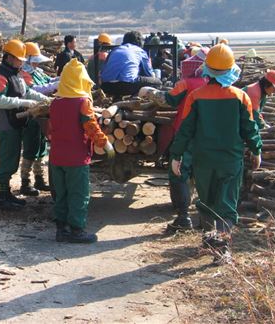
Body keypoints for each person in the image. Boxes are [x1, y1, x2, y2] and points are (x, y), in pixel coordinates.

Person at [169, 43, 262, 265]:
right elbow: (250, 128)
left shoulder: (196, 96)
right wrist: (257, 150)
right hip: (230, 160)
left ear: (207, 69)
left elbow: (185, 129)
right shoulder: (240, 97)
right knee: (226, 202)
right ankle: (221, 250)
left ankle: (210, 239)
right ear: (231, 70)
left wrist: (176, 155)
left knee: (207, 199)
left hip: (203, 160)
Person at [139, 47, 209, 232]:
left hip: (186, 135)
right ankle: (205, 219)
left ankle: (183, 216)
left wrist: (149, 92)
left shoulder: (188, 83)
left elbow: (167, 99)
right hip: (209, 136)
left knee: (179, 172)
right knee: (204, 174)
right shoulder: (221, 85)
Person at [49, 59, 115, 243]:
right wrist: (104, 143)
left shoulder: (55, 102)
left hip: (56, 157)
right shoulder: (82, 102)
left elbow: (50, 129)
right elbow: (91, 127)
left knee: (61, 194)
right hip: (76, 158)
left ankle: (61, 230)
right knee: (78, 194)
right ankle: (77, 231)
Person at [0, 39, 50, 210]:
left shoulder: (16, 73)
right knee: (7, 160)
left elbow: (28, 91)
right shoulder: (0, 76)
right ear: (9, 57)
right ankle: (2, 196)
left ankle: (6, 193)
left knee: (13, 159)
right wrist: (23, 102)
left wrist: (44, 99)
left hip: (16, 123)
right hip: (6, 124)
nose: (21, 62)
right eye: (18, 59)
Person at [20, 42, 58, 194]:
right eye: (34, 60)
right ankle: (25, 182)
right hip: (31, 115)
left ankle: (39, 179)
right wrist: (53, 87)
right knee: (31, 148)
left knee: (42, 148)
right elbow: (33, 89)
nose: (36, 63)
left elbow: (48, 81)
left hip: (43, 113)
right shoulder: (23, 73)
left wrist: (61, 80)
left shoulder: (37, 71)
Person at [100, 30, 161, 100]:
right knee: (157, 82)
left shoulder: (114, 50)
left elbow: (104, 70)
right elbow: (148, 73)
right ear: (139, 42)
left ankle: (117, 98)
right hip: (127, 86)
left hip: (106, 86)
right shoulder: (140, 51)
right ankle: (136, 98)